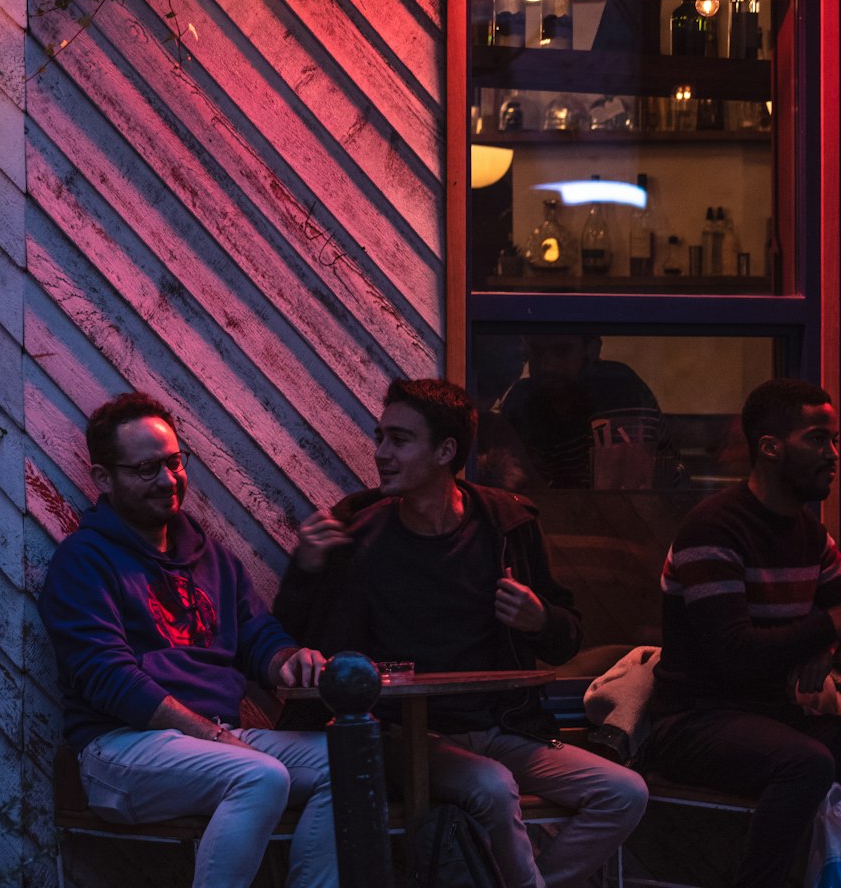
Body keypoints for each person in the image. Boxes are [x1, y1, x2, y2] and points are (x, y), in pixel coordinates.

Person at [275, 377, 648, 888]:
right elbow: (294, 641)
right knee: (491, 787)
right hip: (404, 735)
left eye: (399, 440)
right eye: (380, 437)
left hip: (503, 725)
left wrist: (541, 620)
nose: (381, 452)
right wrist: (307, 568)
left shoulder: (507, 525)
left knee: (624, 792)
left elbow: (567, 637)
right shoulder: (358, 534)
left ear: (446, 450)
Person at [38, 392, 337, 888]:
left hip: (218, 738)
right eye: (147, 468)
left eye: (175, 462)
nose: (167, 479)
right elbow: (110, 680)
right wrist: (212, 736)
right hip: (121, 750)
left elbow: (257, 637)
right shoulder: (83, 561)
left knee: (346, 761)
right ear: (103, 478)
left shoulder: (210, 555)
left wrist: (288, 660)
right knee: (260, 776)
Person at [646, 378, 841, 888]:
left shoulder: (813, 538)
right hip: (695, 720)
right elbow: (737, 655)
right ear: (771, 448)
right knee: (807, 764)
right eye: (819, 439)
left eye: (835, 440)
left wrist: (830, 645)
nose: (833, 454)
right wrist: (827, 626)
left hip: (771, 712)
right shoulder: (713, 530)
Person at [495, 333, 680, 489]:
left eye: (562, 351)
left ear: (592, 350)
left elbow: (624, 498)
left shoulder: (618, 389)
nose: (547, 365)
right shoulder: (522, 400)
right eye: (537, 351)